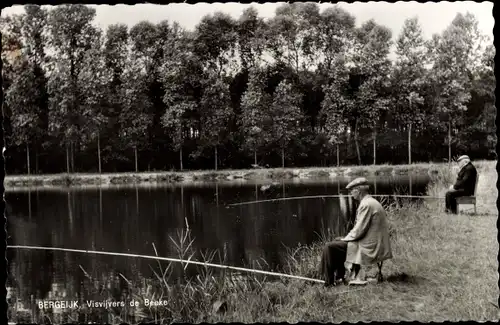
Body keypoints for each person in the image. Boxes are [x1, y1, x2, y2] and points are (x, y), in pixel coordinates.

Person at [319, 177, 393, 286]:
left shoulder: (366, 205)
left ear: (358, 190)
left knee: (329, 247)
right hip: (374, 242)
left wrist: (345, 239)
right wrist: (344, 239)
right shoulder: (370, 201)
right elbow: (360, 229)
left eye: (352, 191)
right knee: (336, 242)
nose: (351, 193)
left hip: (370, 246)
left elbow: (359, 230)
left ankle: (328, 281)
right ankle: (339, 277)